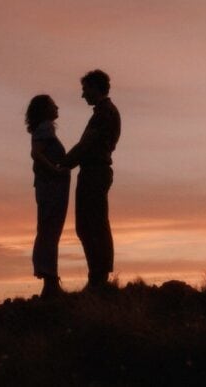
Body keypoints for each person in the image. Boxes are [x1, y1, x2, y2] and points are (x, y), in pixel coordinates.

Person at [64, 69, 120, 289]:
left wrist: (62, 163)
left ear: (96, 87)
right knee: (92, 224)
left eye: (85, 89)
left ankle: (98, 277)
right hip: (94, 171)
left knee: (90, 224)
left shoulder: (104, 113)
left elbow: (85, 145)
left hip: (95, 172)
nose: (82, 95)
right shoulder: (105, 112)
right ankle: (98, 275)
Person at [25, 94, 71, 298]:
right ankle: (50, 282)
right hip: (51, 187)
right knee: (50, 230)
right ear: (45, 109)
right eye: (53, 104)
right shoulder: (46, 127)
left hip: (49, 186)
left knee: (48, 230)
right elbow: (36, 153)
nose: (57, 107)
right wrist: (55, 170)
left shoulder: (43, 128)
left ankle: (50, 281)